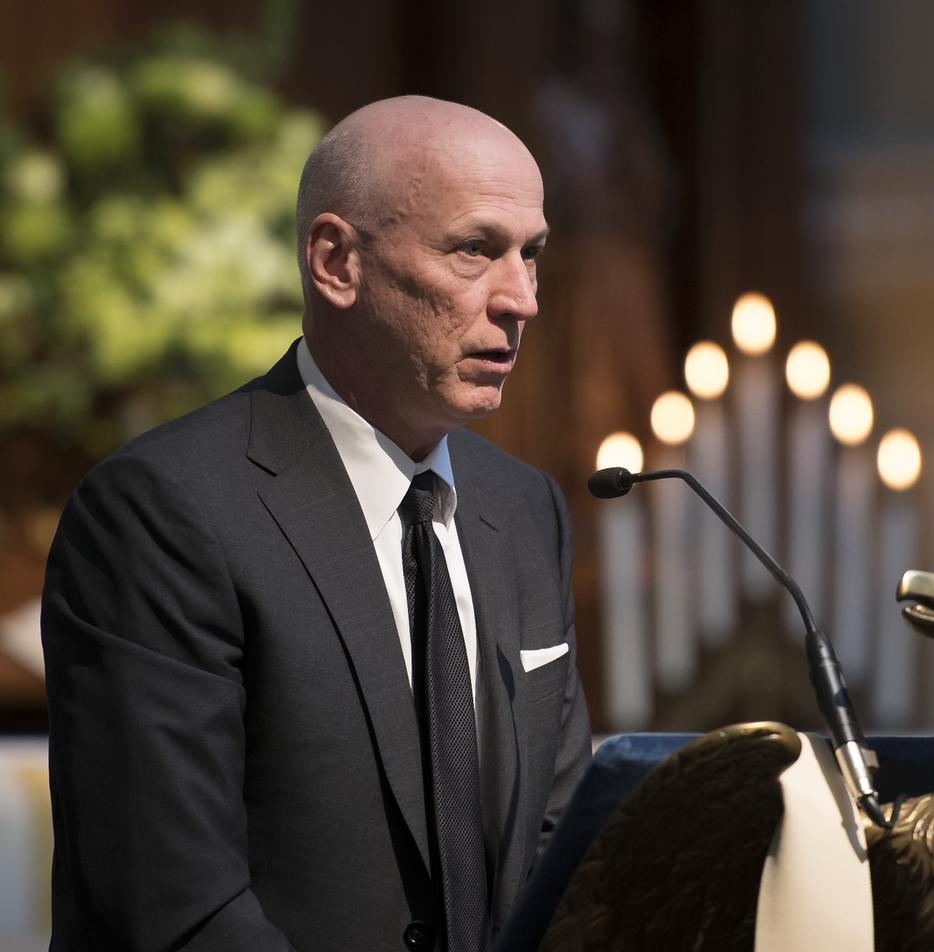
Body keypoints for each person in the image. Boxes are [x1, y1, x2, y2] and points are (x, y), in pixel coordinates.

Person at [41, 96, 592, 952]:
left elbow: (562, 849)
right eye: (475, 251)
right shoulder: (162, 511)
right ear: (336, 262)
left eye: (533, 255)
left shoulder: (525, 508)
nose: (519, 299)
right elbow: (174, 907)